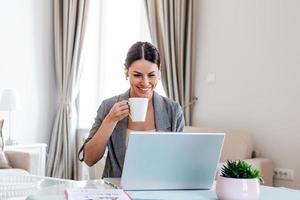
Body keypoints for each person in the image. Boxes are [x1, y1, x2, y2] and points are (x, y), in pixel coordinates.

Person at [78, 41, 184, 178]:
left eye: (151, 75)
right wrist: (110, 120)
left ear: (159, 71)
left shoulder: (173, 111)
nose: (145, 82)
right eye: (137, 75)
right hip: (117, 191)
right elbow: (89, 159)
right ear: (126, 71)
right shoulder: (108, 106)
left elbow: (179, 162)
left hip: (159, 191)